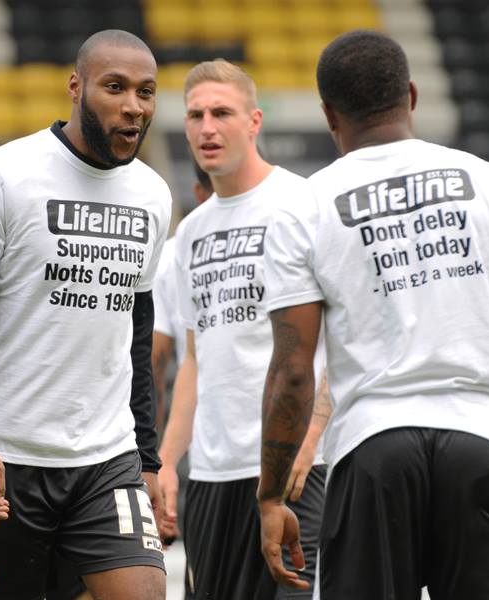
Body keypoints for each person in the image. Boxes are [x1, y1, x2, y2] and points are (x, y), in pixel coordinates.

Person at [258, 30, 489, 600]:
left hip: (373, 450)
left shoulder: (303, 207)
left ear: (329, 114)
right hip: (480, 441)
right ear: (412, 96)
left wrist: (271, 496)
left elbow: (293, 371)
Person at [0, 29, 171, 600]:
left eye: (146, 92)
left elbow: (135, 338)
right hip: (8, 457)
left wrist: (148, 457)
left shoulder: (153, 195)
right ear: (76, 87)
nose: (133, 106)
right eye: (115, 87)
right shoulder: (1, 175)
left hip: (107, 460)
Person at [157, 59, 330, 599]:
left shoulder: (304, 204)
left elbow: (346, 338)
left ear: (254, 121)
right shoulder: (190, 233)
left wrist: (312, 437)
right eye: (196, 115)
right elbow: (195, 361)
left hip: (294, 468)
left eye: (222, 113)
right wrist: (167, 461)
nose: (207, 128)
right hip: (212, 477)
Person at [151, 163, 213, 435]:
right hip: (197, 438)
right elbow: (154, 363)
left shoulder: (170, 254)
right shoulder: (173, 254)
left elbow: (153, 367)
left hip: (197, 437)